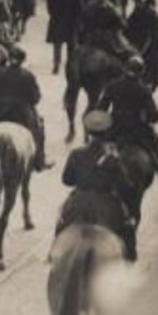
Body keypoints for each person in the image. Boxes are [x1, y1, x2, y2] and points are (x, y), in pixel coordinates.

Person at [58, 110, 140, 260]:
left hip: (79, 201)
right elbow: (125, 187)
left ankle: (54, 254)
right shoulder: (113, 157)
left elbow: (66, 180)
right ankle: (130, 259)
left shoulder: (76, 153)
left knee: (62, 220)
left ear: (88, 132)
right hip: (105, 203)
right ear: (107, 133)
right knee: (127, 227)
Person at [0, 46, 49, 172]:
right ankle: (39, 161)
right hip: (20, 112)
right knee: (38, 130)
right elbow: (35, 98)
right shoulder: (28, 75)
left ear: (9, 59)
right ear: (22, 61)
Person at [97, 57, 158, 182]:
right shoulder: (143, 89)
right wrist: (152, 117)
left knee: (96, 146)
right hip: (137, 128)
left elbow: (101, 109)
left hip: (114, 127)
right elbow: (153, 115)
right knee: (153, 146)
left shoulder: (112, 86)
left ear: (125, 69)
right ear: (141, 72)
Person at [125, 0, 158, 92]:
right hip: (153, 49)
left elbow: (127, 30)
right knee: (153, 71)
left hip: (142, 47)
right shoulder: (155, 16)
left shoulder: (135, 15)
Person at [45, 0, 84, 76]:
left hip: (58, 17)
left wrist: (52, 12)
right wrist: (79, 18)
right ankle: (70, 66)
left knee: (57, 43)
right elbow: (79, 4)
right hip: (71, 19)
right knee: (71, 44)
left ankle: (56, 65)